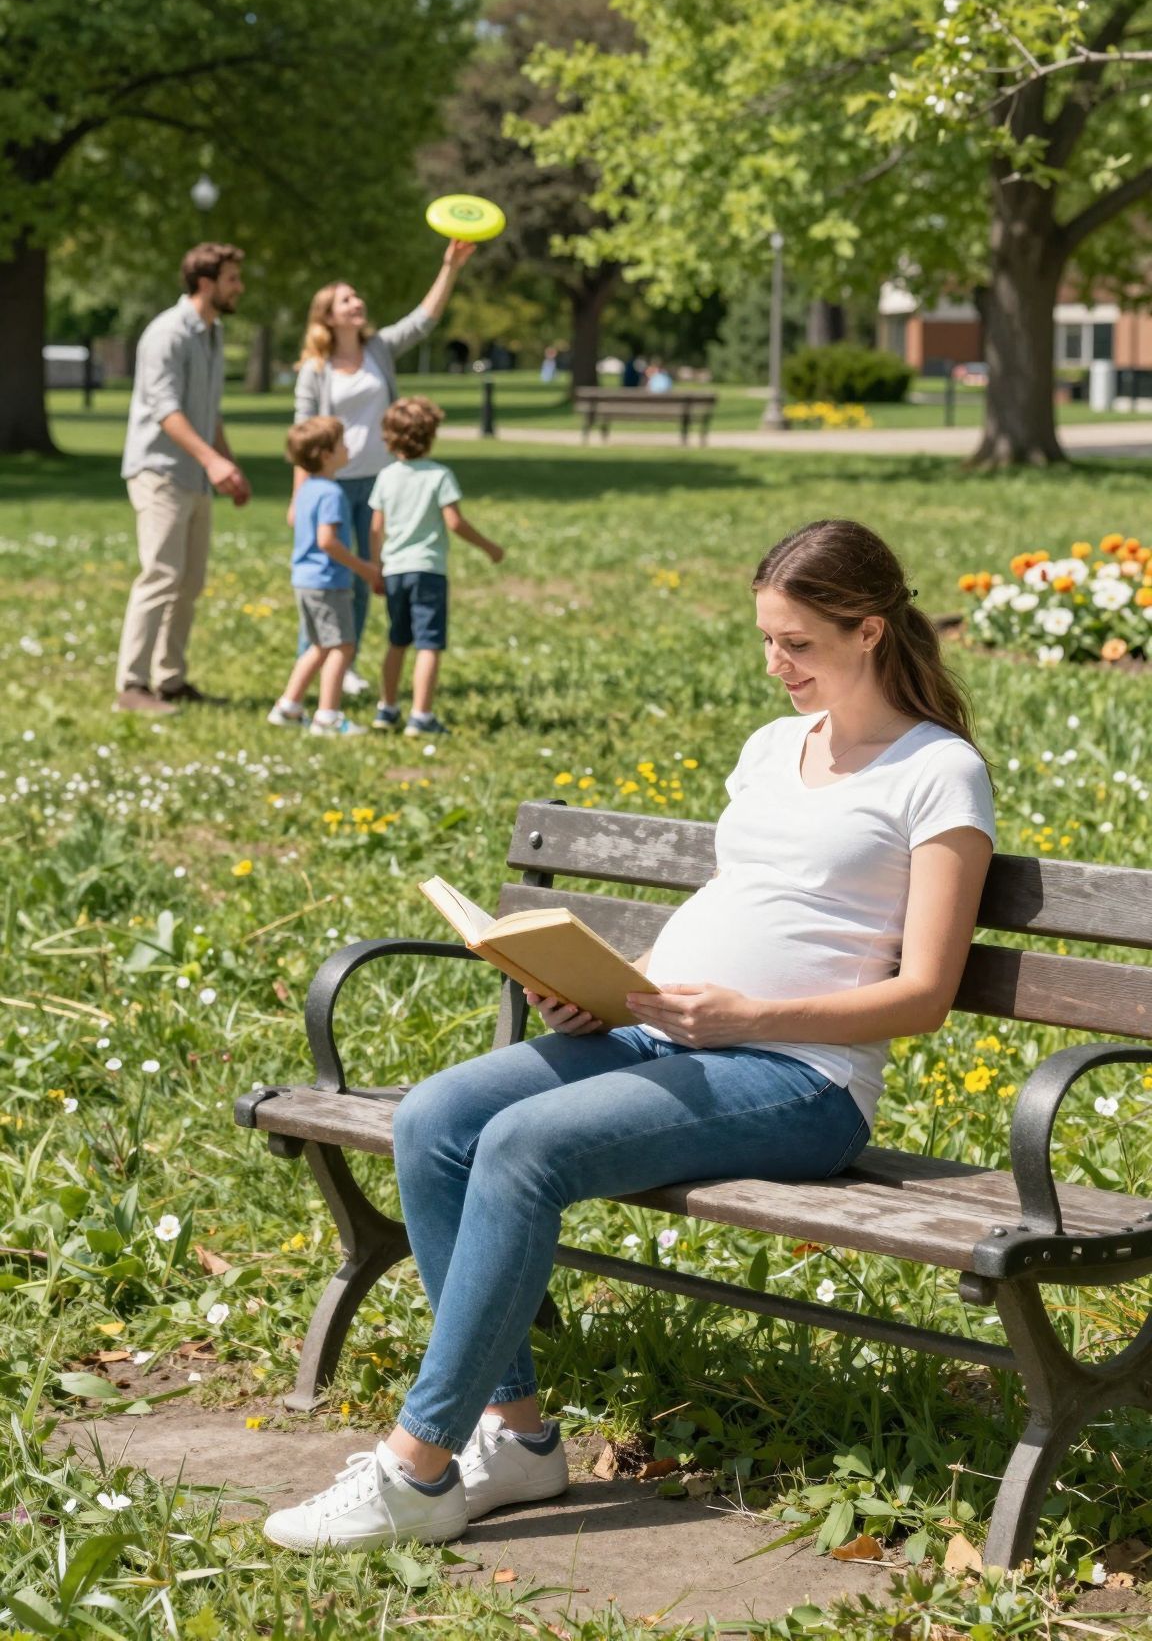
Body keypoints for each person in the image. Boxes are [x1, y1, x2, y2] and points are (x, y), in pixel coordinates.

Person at [262, 517, 995, 1553]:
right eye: (766, 639)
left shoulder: (939, 772)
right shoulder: (771, 746)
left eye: (798, 643)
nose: (775, 664)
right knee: (435, 1118)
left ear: (869, 630)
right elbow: (751, 898)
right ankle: (515, 1435)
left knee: (525, 1146)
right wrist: (605, 990)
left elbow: (923, 994)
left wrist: (745, 1015)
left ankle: (416, 1464)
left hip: (797, 1077)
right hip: (665, 1030)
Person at [291, 239, 476, 696]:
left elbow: (424, 320)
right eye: (346, 299)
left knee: (369, 572)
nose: (358, 303)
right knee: (328, 575)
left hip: (379, 481)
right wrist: (301, 495)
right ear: (328, 316)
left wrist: (449, 267)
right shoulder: (316, 368)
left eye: (357, 297)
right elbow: (305, 435)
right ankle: (311, 663)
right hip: (333, 482)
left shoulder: (379, 349)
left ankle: (345, 664)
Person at [115, 243, 251, 714]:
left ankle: (169, 679)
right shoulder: (167, 333)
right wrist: (212, 462)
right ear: (206, 283)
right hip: (161, 470)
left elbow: (206, 413)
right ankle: (131, 686)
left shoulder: (212, 333)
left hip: (196, 471)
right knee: (161, 575)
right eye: (233, 278)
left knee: (190, 581)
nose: (241, 287)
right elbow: (166, 411)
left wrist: (227, 464)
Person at [368, 397, 503, 738]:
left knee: (397, 640)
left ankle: (387, 708)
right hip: (428, 571)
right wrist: (489, 546)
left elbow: (375, 528)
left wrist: (376, 566)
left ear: (389, 437)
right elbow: (454, 522)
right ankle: (421, 716)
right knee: (429, 644)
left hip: (395, 570)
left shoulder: (385, 477)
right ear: (431, 436)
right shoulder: (440, 475)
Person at [267, 418, 382, 737]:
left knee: (318, 646)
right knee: (343, 646)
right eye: (343, 444)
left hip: (305, 580)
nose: (348, 449)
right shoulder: (332, 493)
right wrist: (364, 567)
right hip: (328, 581)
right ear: (326, 454)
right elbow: (327, 540)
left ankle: (289, 707)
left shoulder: (307, 490)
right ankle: (328, 717)